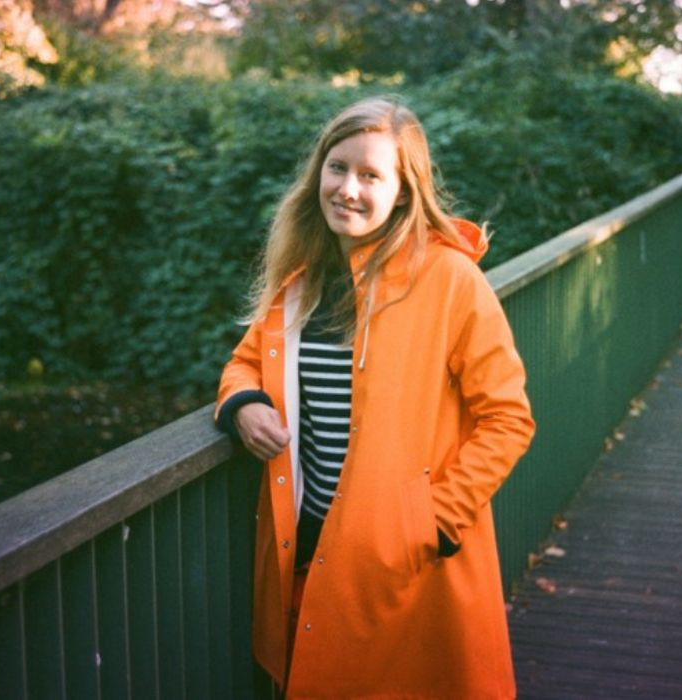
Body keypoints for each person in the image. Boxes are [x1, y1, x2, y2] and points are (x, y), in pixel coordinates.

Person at [214, 96, 535, 697]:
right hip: (308, 549)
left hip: (406, 565)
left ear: (404, 191)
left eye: (371, 175)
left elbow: (508, 418)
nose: (348, 189)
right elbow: (245, 363)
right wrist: (244, 404)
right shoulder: (300, 284)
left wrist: (432, 522)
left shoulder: (450, 280)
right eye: (337, 168)